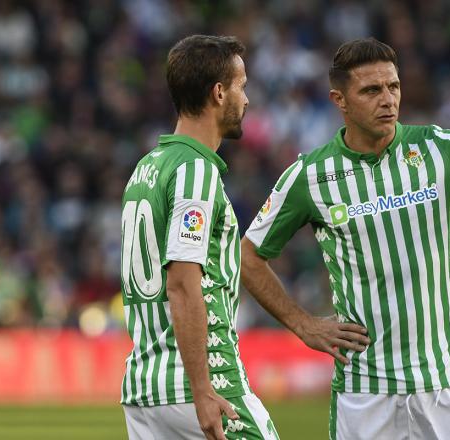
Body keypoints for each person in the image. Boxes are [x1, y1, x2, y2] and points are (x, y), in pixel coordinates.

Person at [241, 38, 450, 439]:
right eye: (371, 91)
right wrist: (304, 325)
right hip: (364, 391)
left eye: (393, 86)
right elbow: (249, 255)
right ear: (339, 100)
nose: (387, 99)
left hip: (444, 383)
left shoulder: (438, 148)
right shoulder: (310, 176)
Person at [120, 35, 278, 440]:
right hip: (202, 383)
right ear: (219, 92)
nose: (247, 99)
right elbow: (182, 283)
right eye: (242, 86)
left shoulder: (147, 167)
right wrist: (202, 389)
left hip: (145, 387)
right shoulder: (196, 171)